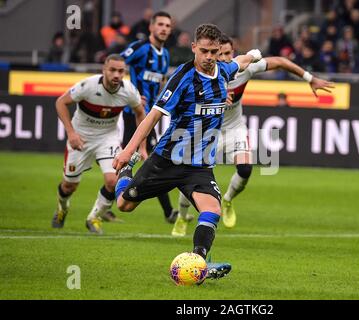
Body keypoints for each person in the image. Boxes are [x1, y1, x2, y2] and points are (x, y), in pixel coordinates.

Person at [113, 24, 262, 279]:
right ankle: (126, 172)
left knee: (212, 210)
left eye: (214, 52)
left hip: (199, 165)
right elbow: (153, 116)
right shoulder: (183, 78)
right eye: (204, 51)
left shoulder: (223, 71)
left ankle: (199, 264)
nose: (209, 57)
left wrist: (254, 55)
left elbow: (240, 61)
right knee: (124, 205)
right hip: (168, 160)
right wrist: (128, 151)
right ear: (193, 47)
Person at [171, 34, 334, 236]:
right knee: (192, 179)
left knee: (246, 168)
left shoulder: (244, 69)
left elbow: (281, 62)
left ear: (234, 53)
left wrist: (310, 78)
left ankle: (228, 199)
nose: (223, 58)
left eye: (227, 53)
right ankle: (182, 215)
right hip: (206, 132)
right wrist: (218, 99)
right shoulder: (200, 74)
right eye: (219, 54)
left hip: (234, 129)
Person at [52, 54, 147, 234]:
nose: (117, 75)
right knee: (69, 185)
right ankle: (62, 208)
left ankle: (94, 217)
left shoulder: (128, 90)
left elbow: (141, 114)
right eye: (112, 70)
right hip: (81, 137)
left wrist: (142, 147)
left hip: (107, 138)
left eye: (121, 71)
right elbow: (60, 102)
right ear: (104, 70)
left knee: (113, 181)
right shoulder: (88, 86)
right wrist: (71, 133)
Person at [121, 11, 178, 223]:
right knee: (135, 162)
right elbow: (114, 65)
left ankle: (168, 212)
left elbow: (161, 82)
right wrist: (128, 93)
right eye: (160, 24)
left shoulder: (166, 55)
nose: (164, 28)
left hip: (150, 117)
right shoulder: (139, 48)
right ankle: (108, 200)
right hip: (132, 116)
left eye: (167, 25)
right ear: (151, 27)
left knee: (152, 162)